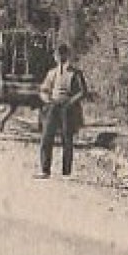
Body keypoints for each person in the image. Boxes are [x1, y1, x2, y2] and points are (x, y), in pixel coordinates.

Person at [36, 43, 88, 178]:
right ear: (55, 57)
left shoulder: (76, 73)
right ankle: (45, 170)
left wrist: (70, 102)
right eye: (57, 55)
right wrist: (46, 99)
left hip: (68, 108)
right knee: (46, 137)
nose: (59, 57)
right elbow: (44, 90)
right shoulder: (51, 73)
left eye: (62, 54)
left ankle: (66, 172)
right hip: (53, 106)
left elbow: (83, 92)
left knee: (67, 139)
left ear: (67, 55)